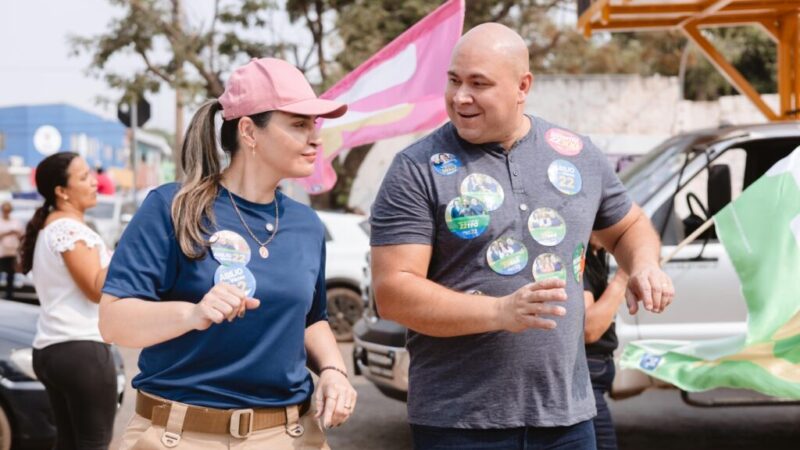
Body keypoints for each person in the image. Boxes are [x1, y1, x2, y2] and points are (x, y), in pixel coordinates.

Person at [370, 23, 675, 450]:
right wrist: (499, 313)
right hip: (459, 425)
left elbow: (628, 226)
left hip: (567, 420)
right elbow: (394, 291)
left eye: (479, 84)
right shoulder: (416, 168)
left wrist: (643, 265)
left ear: (522, 86)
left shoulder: (577, 154)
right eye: (454, 81)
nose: (460, 97)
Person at [99, 57, 356, 449]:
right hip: (178, 435)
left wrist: (334, 371)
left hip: (290, 435)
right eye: (299, 125)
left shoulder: (305, 225)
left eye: (314, 126)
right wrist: (193, 313)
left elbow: (311, 319)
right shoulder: (172, 207)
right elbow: (113, 321)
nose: (316, 139)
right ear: (250, 131)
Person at [19, 152, 116, 450]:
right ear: (61, 191)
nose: (94, 183)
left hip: (53, 349)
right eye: (84, 177)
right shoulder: (69, 230)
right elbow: (95, 288)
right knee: (93, 443)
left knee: (69, 443)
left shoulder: (51, 228)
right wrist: (126, 254)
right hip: (80, 349)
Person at [583, 236, 628, 450]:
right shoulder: (579, 256)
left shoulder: (597, 252)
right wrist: (624, 277)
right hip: (586, 379)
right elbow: (589, 329)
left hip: (594, 374)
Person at [0, 201, 23, 299]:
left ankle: (9, 293)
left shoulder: (16, 221)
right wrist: (9, 232)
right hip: (1, 251)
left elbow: (21, 235)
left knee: (10, 273)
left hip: (12, 252)